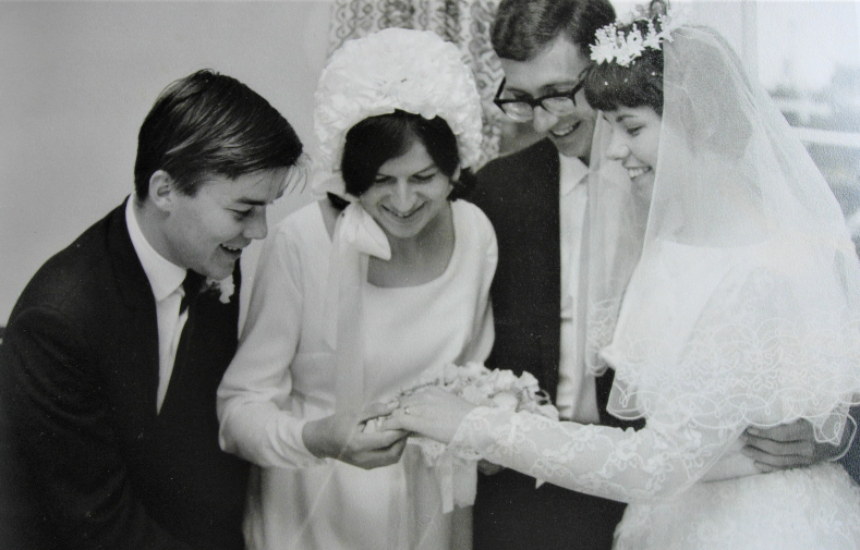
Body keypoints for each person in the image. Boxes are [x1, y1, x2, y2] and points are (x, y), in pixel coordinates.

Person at [385, 8, 860, 549]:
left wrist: (837, 434)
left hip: (746, 519)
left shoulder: (769, 260)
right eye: (524, 99)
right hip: (585, 507)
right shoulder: (510, 194)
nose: (610, 149)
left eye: (629, 127)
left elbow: (675, 452)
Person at [0, 69, 306, 550]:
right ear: (165, 191)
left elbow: (201, 466)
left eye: (267, 208)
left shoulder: (212, 256)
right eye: (244, 210)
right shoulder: (59, 322)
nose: (261, 231)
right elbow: (94, 524)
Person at [216, 28, 496, 550]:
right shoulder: (301, 243)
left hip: (434, 507)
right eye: (383, 180)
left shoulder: (476, 232)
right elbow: (238, 412)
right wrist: (316, 437)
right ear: (350, 173)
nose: (405, 200)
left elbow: (474, 377)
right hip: (316, 506)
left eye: (425, 176)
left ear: (455, 168)